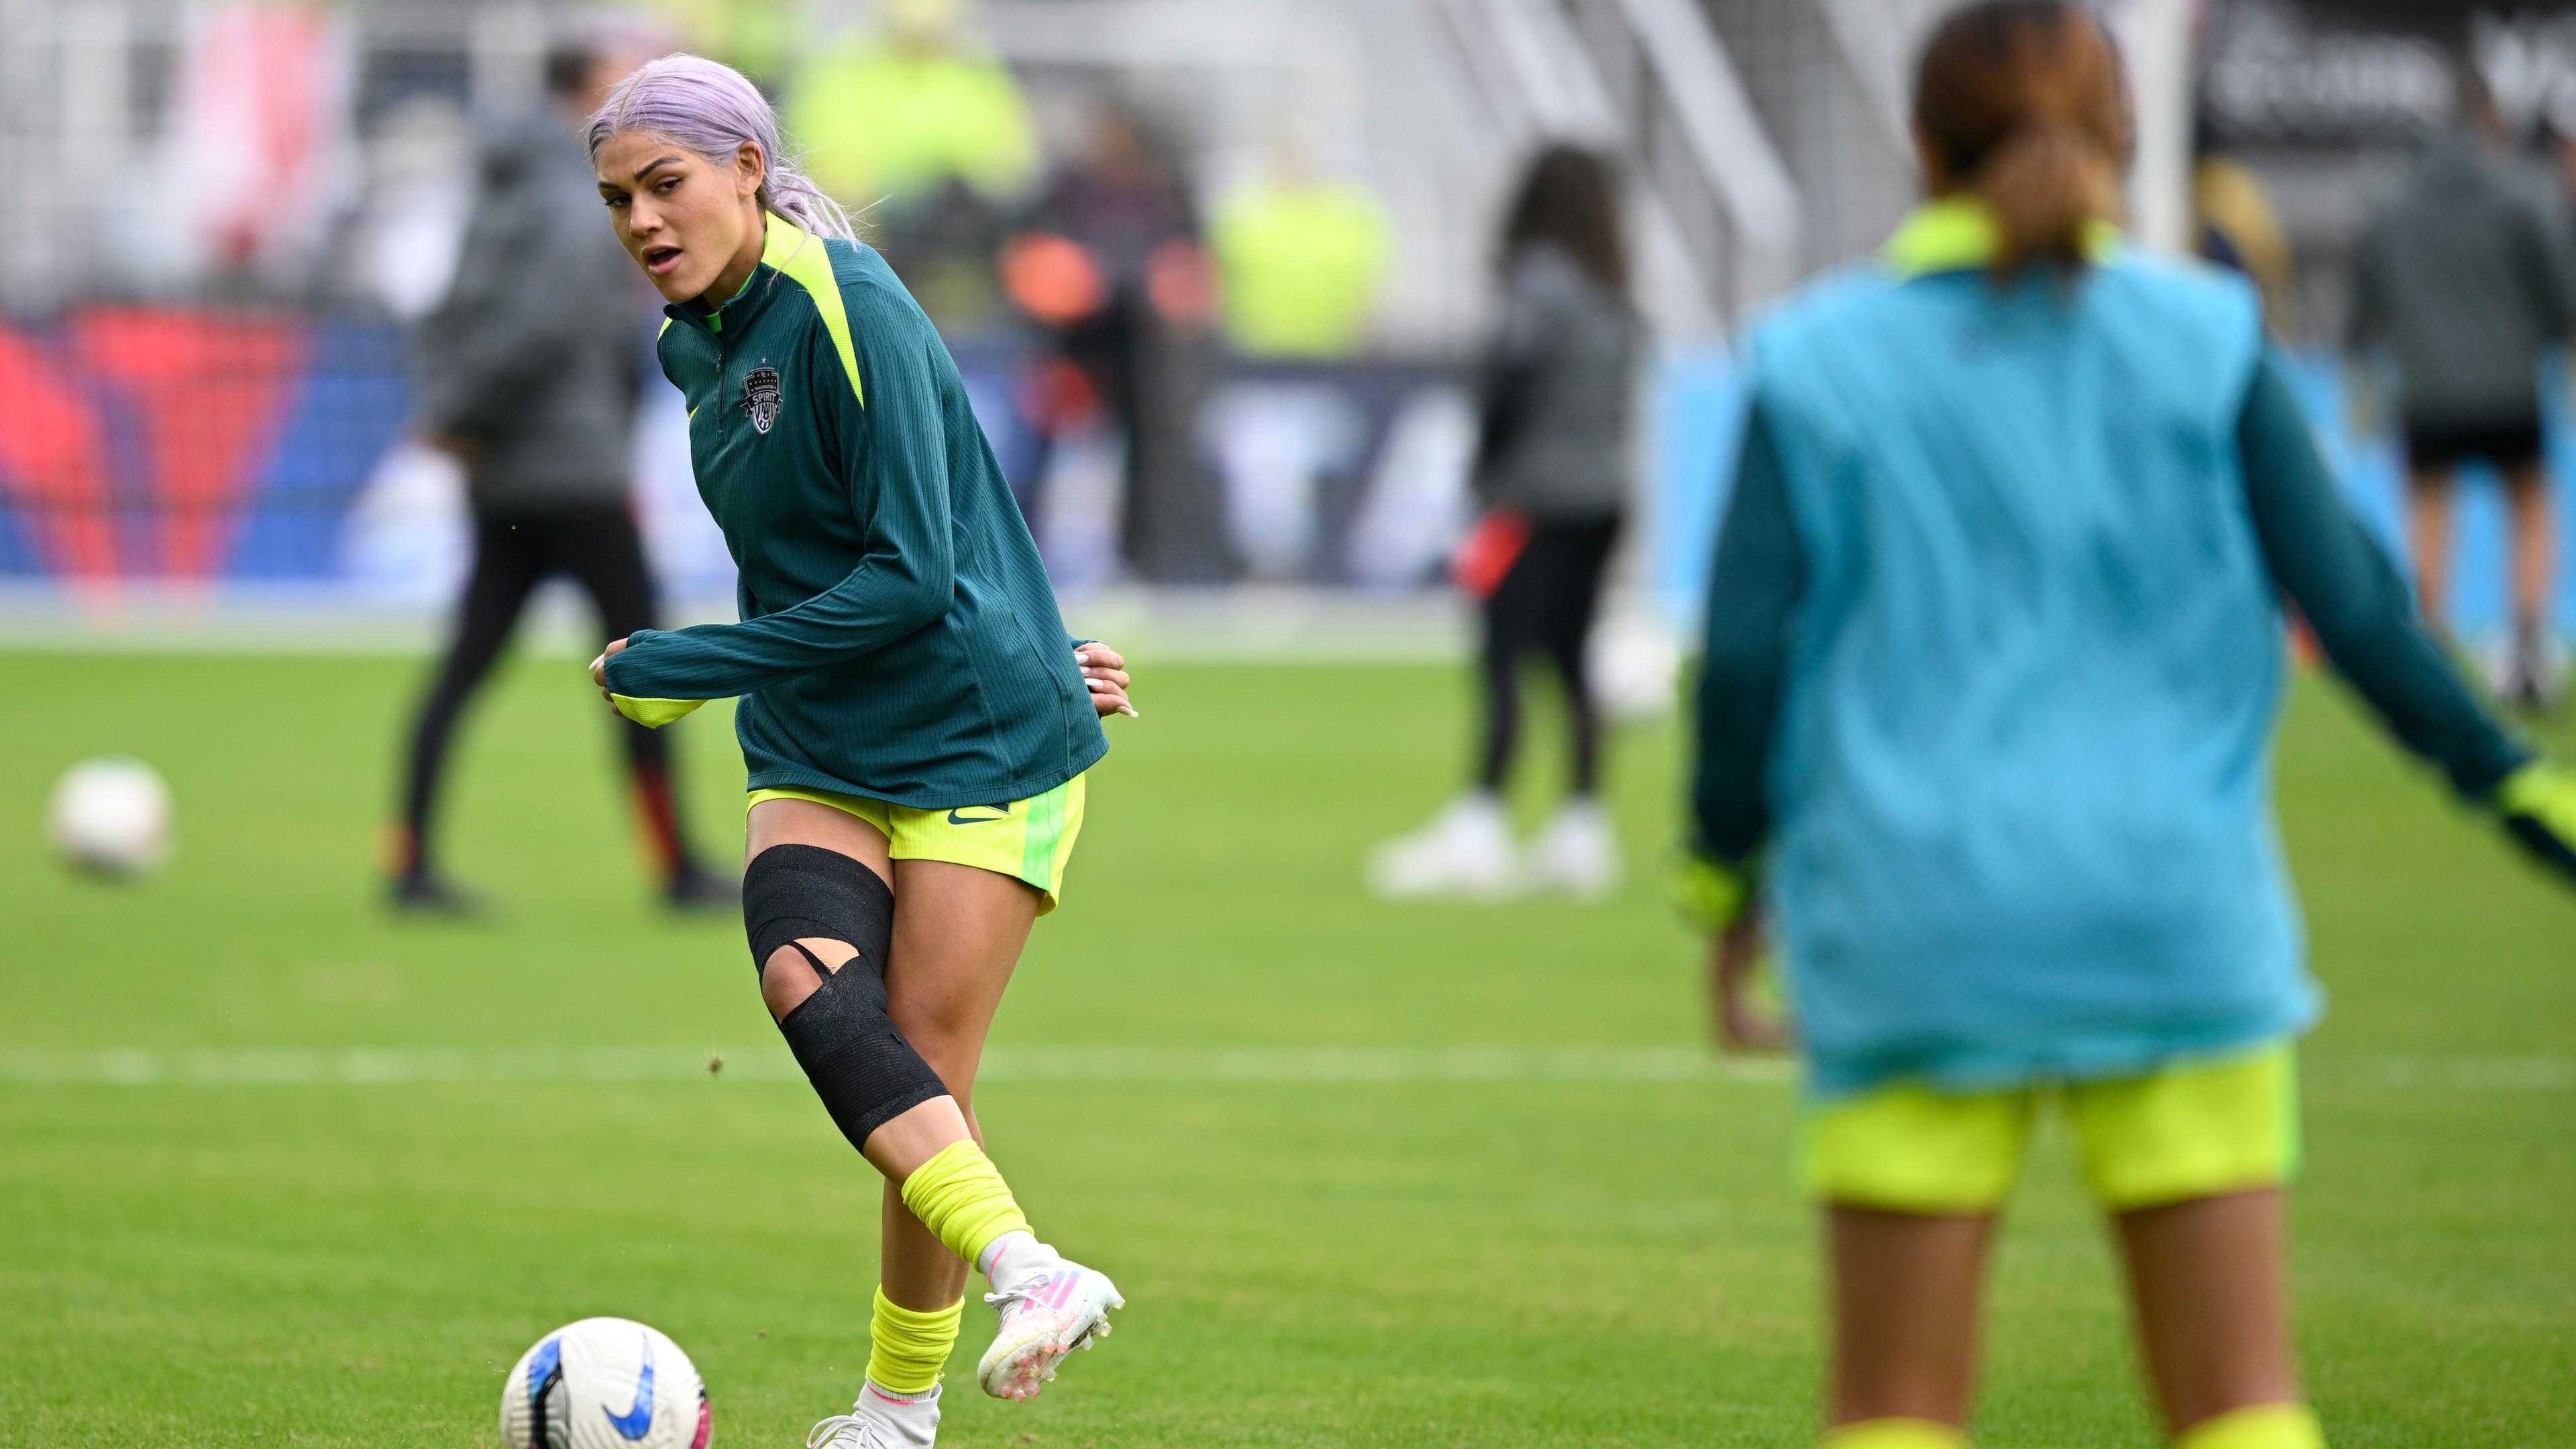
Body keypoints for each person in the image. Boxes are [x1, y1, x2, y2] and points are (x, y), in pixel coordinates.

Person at [1680, 6, 2576, 1448]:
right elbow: (2355, 611)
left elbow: (1739, 665)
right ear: (2126, 141)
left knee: (1896, 1415)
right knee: (2238, 1408)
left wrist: (1723, 877)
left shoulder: (1811, 359)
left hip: (1918, 924)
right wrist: (2513, 782)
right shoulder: (2207, 340)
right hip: (2173, 916)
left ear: (1923, 149)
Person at [584, 55, 1138, 1448]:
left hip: (976, 747)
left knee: (923, 1085)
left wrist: (685, 665)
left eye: (668, 185)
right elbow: (893, 518)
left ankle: (900, 1410)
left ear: (750, 173)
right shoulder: (690, 339)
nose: (645, 221)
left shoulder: (851, 299)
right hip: (825, 736)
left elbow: (908, 572)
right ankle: (1029, 1278)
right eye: (618, 201)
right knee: (810, 983)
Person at [394, 33, 726, 913]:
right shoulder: (584, 199)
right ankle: (676, 867)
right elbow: (545, 329)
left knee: (466, 664)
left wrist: (457, 416)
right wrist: (475, 412)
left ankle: (407, 861)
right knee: (647, 660)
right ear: (584, 95)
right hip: (574, 469)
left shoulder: (492, 188)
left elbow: (445, 314)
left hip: (502, 471)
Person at [1370, 146, 1642, 900]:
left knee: (1502, 658)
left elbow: (1511, 382)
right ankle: (1582, 827)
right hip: (1603, 496)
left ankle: (1481, 822)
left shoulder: (1538, 287)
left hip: (1532, 498)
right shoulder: (1614, 292)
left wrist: (1486, 465)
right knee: (1572, 660)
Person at [2350, 68, 2576, 710]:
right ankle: (2529, 644)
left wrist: (2359, 367)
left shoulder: (2393, 202)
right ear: (2491, 122)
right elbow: (2561, 291)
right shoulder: (2522, 195)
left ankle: (2432, 650)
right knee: (2532, 507)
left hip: (2426, 390)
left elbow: (2366, 296)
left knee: (2428, 512)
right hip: (2510, 387)